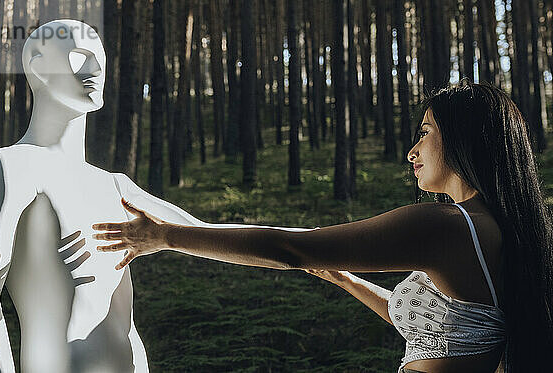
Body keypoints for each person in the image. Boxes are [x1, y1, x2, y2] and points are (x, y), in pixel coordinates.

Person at [93, 81, 553, 372]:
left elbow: (290, 249)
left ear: (464, 139)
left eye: (425, 131)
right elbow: (438, 333)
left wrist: (166, 236)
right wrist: (344, 279)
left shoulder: (443, 227)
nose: (413, 151)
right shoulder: (498, 228)